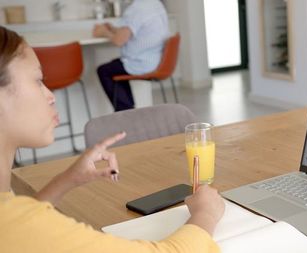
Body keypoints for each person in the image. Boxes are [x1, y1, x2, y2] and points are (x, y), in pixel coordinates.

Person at [0, 26, 225, 252]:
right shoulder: (11, 223)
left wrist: (68, 179)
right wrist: (206, 214)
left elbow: (25, 227)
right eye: (38, 80)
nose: (50, 96)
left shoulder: (11, 211)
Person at [93, 0, 169, 111]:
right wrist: (113, 29)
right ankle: (129, 110)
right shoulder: (155, 3)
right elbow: (135, 29)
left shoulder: (136, 9)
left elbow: (119, 41)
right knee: (116, 66)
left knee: (104, 70)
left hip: (142, 63)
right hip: (158, 60)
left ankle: (126, 112)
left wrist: (103, 32)